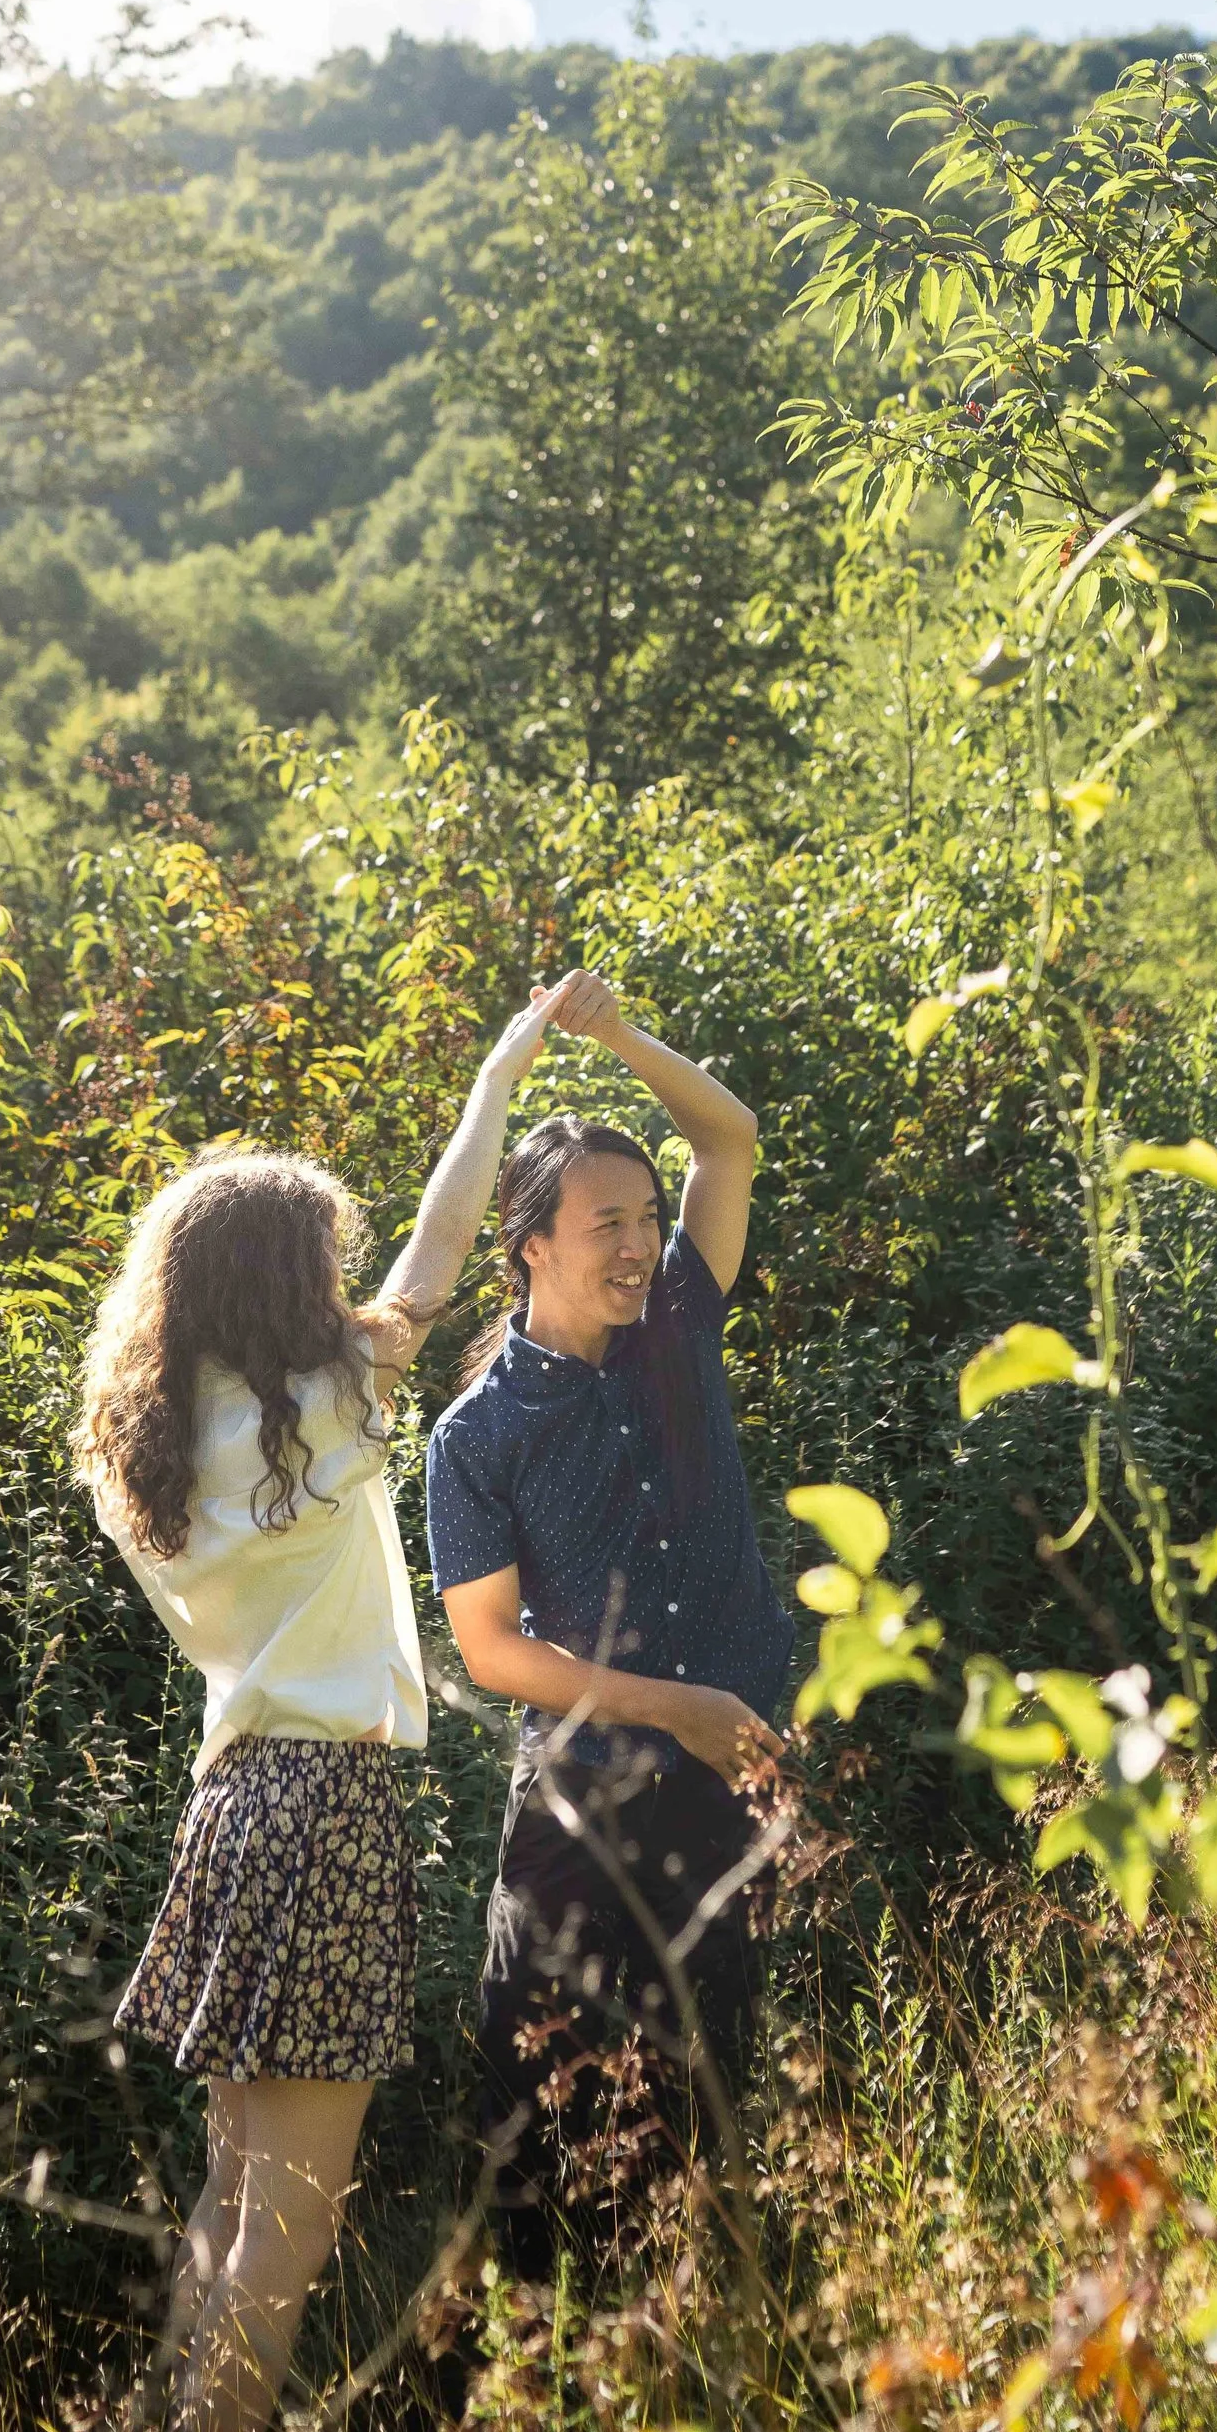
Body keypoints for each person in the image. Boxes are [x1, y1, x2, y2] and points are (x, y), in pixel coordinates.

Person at [72, 985, 566, 2432]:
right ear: (287, 1284)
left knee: (231, 2214)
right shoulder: (318, 1413)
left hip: (229, 1811)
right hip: (328, 1811)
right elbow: (437, 1255)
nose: (348, 1286)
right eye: (322, 1266)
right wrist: (501, 1069)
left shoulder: (147, 1450)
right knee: (280, 2237)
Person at [425, 969, 794, 2266]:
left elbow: (728, 1137)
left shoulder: (682, 1314)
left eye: (645, 1217)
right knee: (552, 2131)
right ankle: (529, 2391)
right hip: (587, 1815)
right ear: (530, 1242)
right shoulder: (476, 1438)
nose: (638, 1243)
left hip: (737, 1780)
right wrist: (670, 1708)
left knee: (717, 2096)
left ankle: (705, 2362)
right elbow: (490, 1653)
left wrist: (620, 1031)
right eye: (606, 1224)